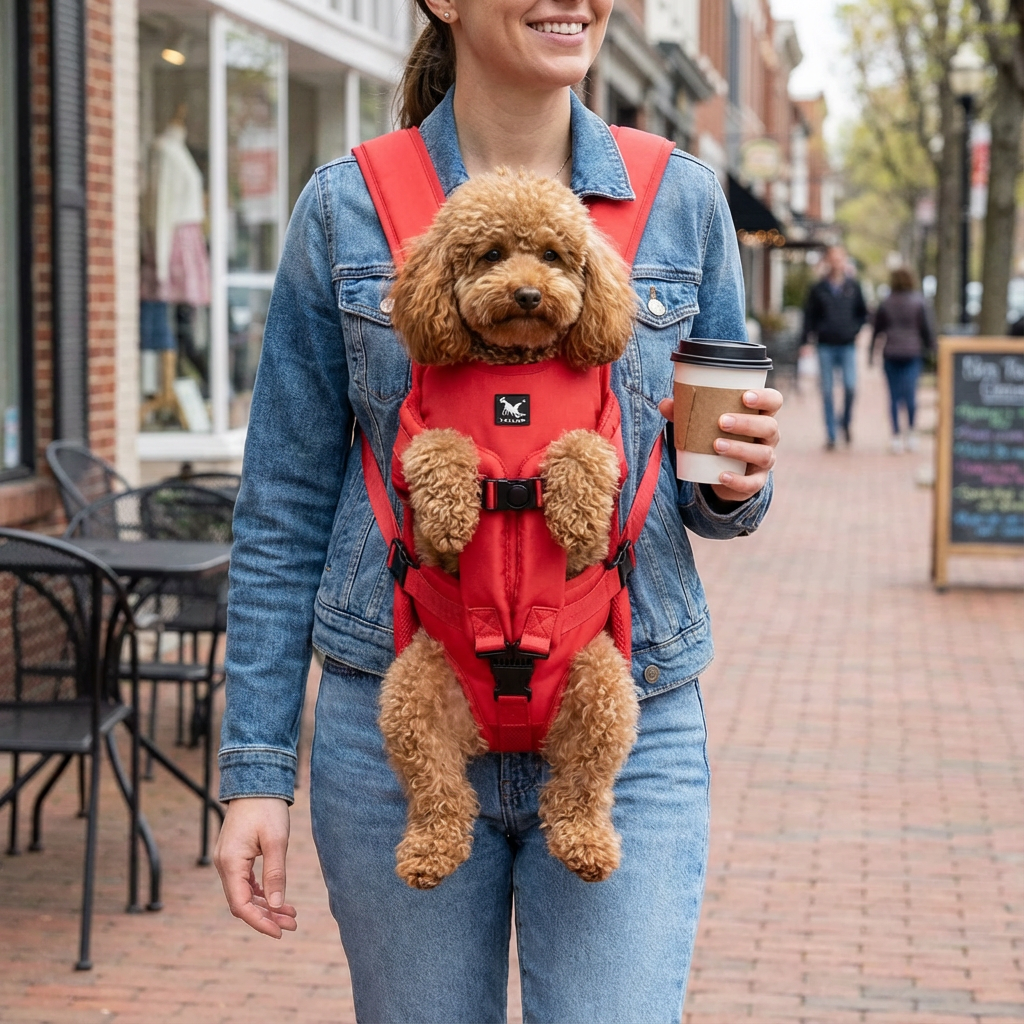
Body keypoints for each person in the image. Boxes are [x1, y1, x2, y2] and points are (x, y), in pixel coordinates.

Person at [212, 2, 783, 1020]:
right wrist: (256, 767)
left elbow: (713, 487)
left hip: (625, 712)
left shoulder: (681, 203)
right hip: (397, 715)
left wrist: (736, 481)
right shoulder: (345, 204)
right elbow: (282, 504)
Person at [802, 244, 868, 449]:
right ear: (827, 261)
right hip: (825, 346)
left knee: (850, 387)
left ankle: (845, 423)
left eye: (840, 258)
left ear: (845, 260)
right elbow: (809, 317)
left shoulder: (854, 287)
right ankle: (831, 434)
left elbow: (863, 313)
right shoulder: (818, 288)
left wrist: (854, 330)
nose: (836, 262)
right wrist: (804, 342)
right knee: (827, 390)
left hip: (847, 345)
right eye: (833, 258)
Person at [870, 267, 935, 453]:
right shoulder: (919, 301)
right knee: (911, 394)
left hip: (891, 353)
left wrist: (871, 353)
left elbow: (877, 330)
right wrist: (933, 351)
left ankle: (896, 435)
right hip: (912, 353)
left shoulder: (886, 302)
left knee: (894, 396)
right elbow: (927, 329)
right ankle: (912, 431)